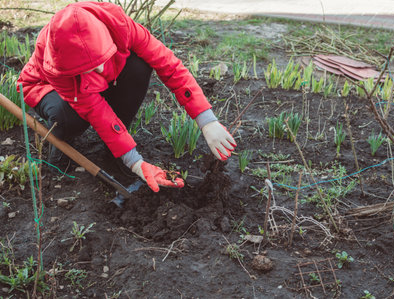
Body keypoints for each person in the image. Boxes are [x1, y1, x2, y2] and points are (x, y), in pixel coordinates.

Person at [17, 1, 236, 192]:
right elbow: (96, 110)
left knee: (138, 66)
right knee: (69, 118)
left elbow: (169, 65)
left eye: (102, 60)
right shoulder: (57, 65)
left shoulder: (119, 26)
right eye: (94, 67)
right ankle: (61, 145)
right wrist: (135, 162)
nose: (102, 70)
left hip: (88, 85)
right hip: (44, 87)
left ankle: (114, 151)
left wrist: (206, 120)